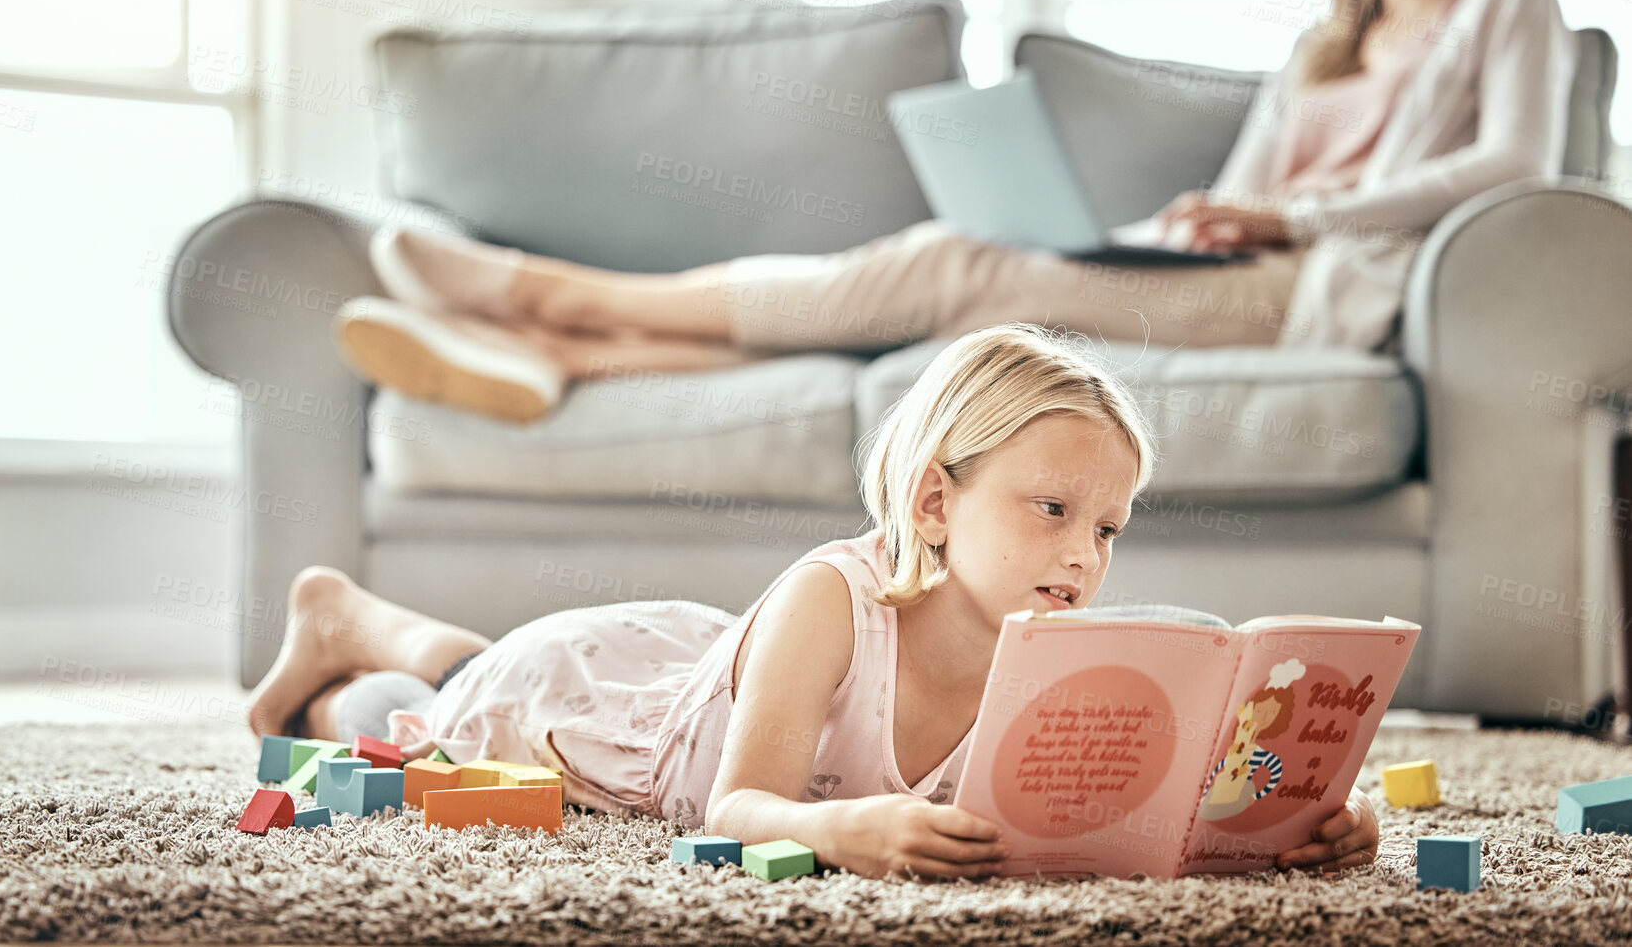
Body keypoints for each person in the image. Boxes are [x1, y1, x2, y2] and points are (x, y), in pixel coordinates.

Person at [329, 0, 1576, 424]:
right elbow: (1241, 192)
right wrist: (1158, 230)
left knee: (944, 262)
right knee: (962, 294)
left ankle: (548, 295)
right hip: (1225, 267)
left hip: (1317, 293)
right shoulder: (1321, 41)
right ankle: (566, 356)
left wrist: (1286, 216)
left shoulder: (1504, 2)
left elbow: (1517, 167)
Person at [246, 323, 1380, 880]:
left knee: (469, 672)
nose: (1083, 551)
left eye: (1106, 527)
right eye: (1049, 509)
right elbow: (737, 808)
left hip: (703, 662)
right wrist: (840, 830)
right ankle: (345, 632)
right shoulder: (832, 599)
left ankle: (354, 614)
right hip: (598, 702)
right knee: (435, 714)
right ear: (934, 501)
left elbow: (1155, 813)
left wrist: (1297, 817)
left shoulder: (1061, 656)